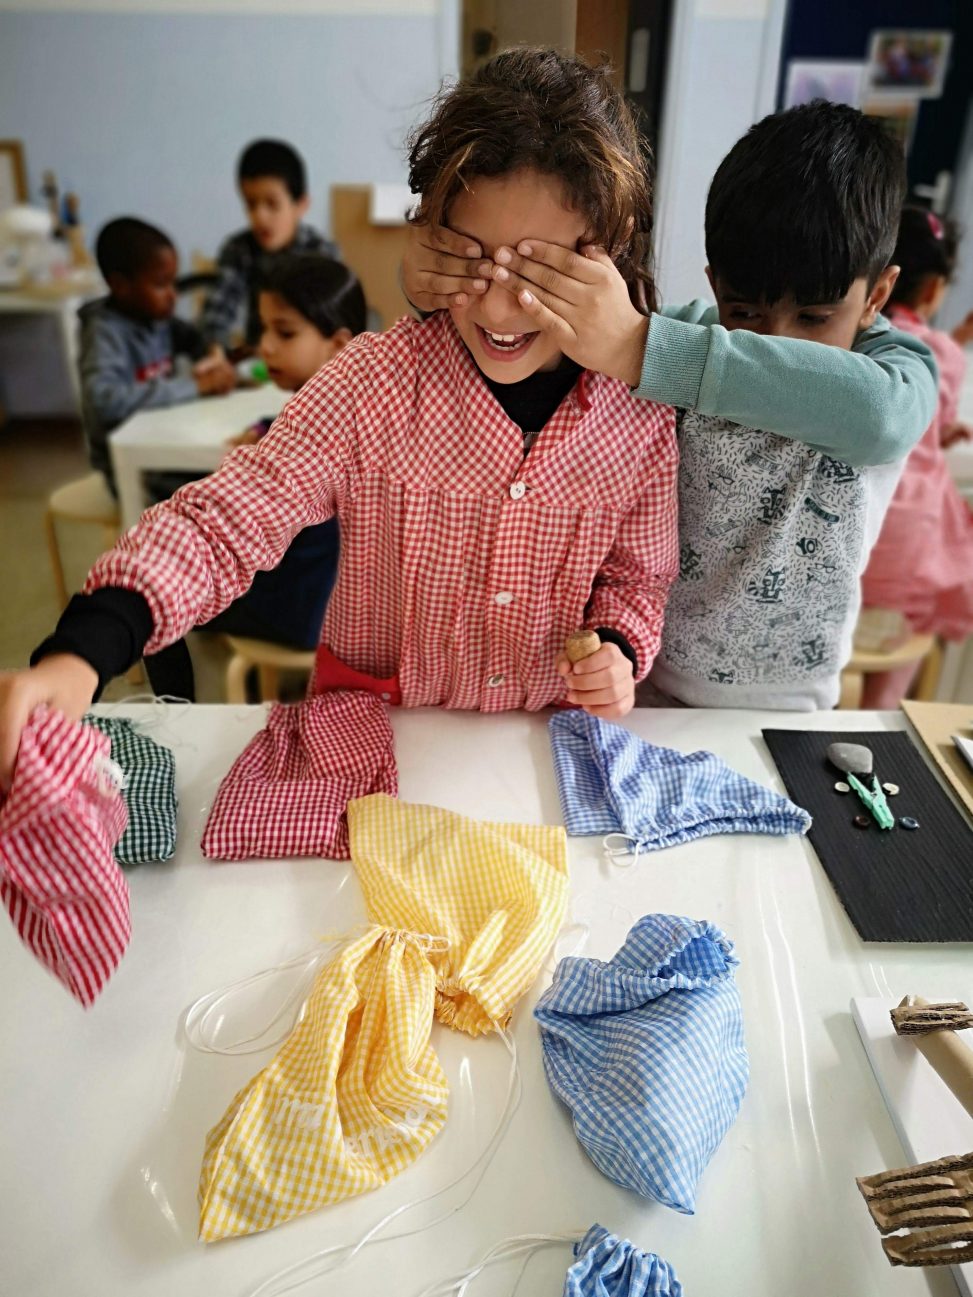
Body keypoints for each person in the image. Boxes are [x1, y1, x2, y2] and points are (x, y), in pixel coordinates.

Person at [0, 48, 678, 783]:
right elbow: (227, 519)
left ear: (608, 254)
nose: (498, 304)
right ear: (433, 237)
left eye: (540, 267)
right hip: (373, 737)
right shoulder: (370, 383)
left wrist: (618, 645)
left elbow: (637, 580)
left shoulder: (639, 415)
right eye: (472, 257)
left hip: (543, 749)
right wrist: (87, 646)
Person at [402, 100, 938, 710]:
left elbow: (882, 419)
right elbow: (551, 335)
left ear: (878, 296)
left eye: (814, 318)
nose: (775, 340)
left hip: (794, 702)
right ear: (714, 285)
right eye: (745, 311)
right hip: (641, 680)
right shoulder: (678, 337)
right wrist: (445, 278)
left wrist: (637, 347)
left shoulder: (894, 373)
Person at [145, 255, 366, 700]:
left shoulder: (317, 433)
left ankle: (174, 715)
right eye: (264, 329)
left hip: (305, 611)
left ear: (339, 346)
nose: (265, 346)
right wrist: (267, 428)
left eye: (285, 333)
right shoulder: (352, 405)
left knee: (153, 602)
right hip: (343, 598)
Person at [859, 208, 973, 708]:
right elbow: (928, 416)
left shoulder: (856, 339)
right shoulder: (944, 352)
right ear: (932, 290)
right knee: (945, 554)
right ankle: (885, 711)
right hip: (907, 559)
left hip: (857, 549)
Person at [79, 217, 235, 496]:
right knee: (220, 493)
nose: (173, 295)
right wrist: (196, 386)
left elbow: (195, 339)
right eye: (162, 285)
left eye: (173, 282)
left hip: (166, 445)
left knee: (235, 475)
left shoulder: (155, 316)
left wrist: (213, 353)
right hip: (131, 468)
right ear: (120, 285)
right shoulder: (104, 333)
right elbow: (103, 401)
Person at [200, 138, 339, 352]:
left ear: (301, 205)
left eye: (272, 204)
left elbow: (333, 323)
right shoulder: (239, 250)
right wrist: (216, 351)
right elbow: (216, 317)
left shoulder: (322, 253)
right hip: (259, 360)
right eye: (251, 204)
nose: (260, 217)